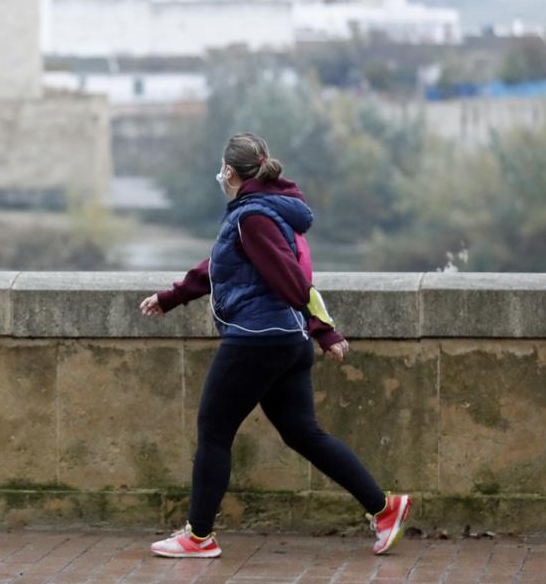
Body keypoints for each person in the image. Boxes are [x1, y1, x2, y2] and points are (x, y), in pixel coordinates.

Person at [139, 132, 410, 558]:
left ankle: (198, 536)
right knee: (304, 433)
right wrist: (172, 297)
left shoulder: (253, 218)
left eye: (222, 169)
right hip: (286, 340)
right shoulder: (267, 212)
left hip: (257, 340)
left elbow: (289, 277)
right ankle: (384, 507)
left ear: (230, 170)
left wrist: (324, 329)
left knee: (214, 432)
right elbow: (220, 267)